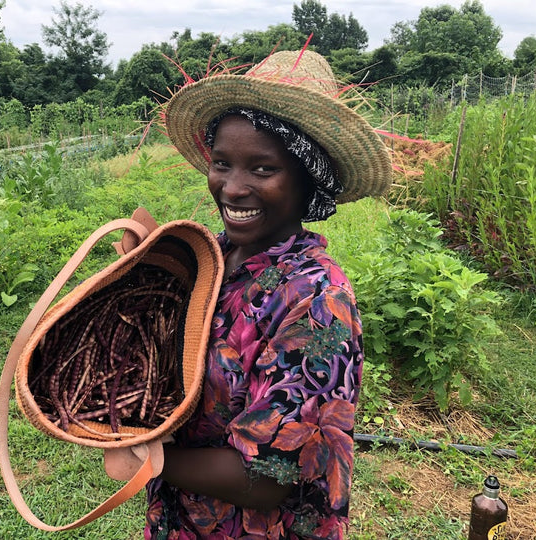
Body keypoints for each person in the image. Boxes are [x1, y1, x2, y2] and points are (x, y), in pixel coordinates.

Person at [112, 47, 392, 540]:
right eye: (222, 163)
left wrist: (149, 457)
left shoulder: (317, 301)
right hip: (183, 519)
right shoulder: (211, 260)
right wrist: (144, 282)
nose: (232, 188)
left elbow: (266, 481)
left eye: (262, 169)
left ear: (309, 180)